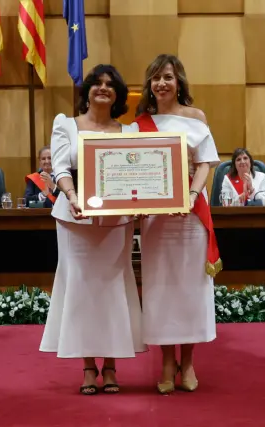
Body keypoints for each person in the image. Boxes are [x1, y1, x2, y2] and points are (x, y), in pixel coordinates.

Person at [39, 64, 146, 395]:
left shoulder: (129, 131)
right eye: (97, 83)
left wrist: (143, 201)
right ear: (86, 91)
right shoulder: (66, 125)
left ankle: (111, 366)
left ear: (118, 95)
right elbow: (60, 167)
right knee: (81, 291)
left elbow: (139, 175)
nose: (103, 88)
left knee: (112, 291)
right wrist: (72, 197)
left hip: (116, 223)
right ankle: (88, 367)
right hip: (75, 220)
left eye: (110, 84)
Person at [131, 54, 221, 394]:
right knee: (162, 288)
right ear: (149, 84)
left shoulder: (195, 117)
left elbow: (205, 163)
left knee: (189, 288)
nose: (162, 83)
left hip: (190, 215)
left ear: (178, 81)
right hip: (157, 220)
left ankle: (189, 361)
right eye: (156, 78)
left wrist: (191, 195)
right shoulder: (140, 124)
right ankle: (167, 361)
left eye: (167, 76)